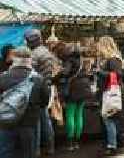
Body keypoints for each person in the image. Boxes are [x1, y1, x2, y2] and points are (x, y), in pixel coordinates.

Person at [24, 28, 58, 156]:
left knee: (36, 120)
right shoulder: (46, 52)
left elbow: (29, 71)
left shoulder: (34, 54)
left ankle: (36, 150)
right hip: (47, 87)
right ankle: (50, 146)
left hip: (36, 89)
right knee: (45, 118)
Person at [55, 43, 92, 151]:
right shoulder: (80, 58)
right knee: (79, 114)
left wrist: (56, 76)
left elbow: (65, 73)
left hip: (73, 88)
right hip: (84, 88)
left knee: (70, 114)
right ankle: (77, 142)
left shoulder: (69, 60)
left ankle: (70, 143)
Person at [95, 39, 124, 156]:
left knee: (109, 118)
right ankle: (117, 141)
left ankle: (112, 145)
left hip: (110, 91)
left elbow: (117, 74)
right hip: (111, 91)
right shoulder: (114, 58)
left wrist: (100, 72)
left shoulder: (112, 59)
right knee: (113, 118)